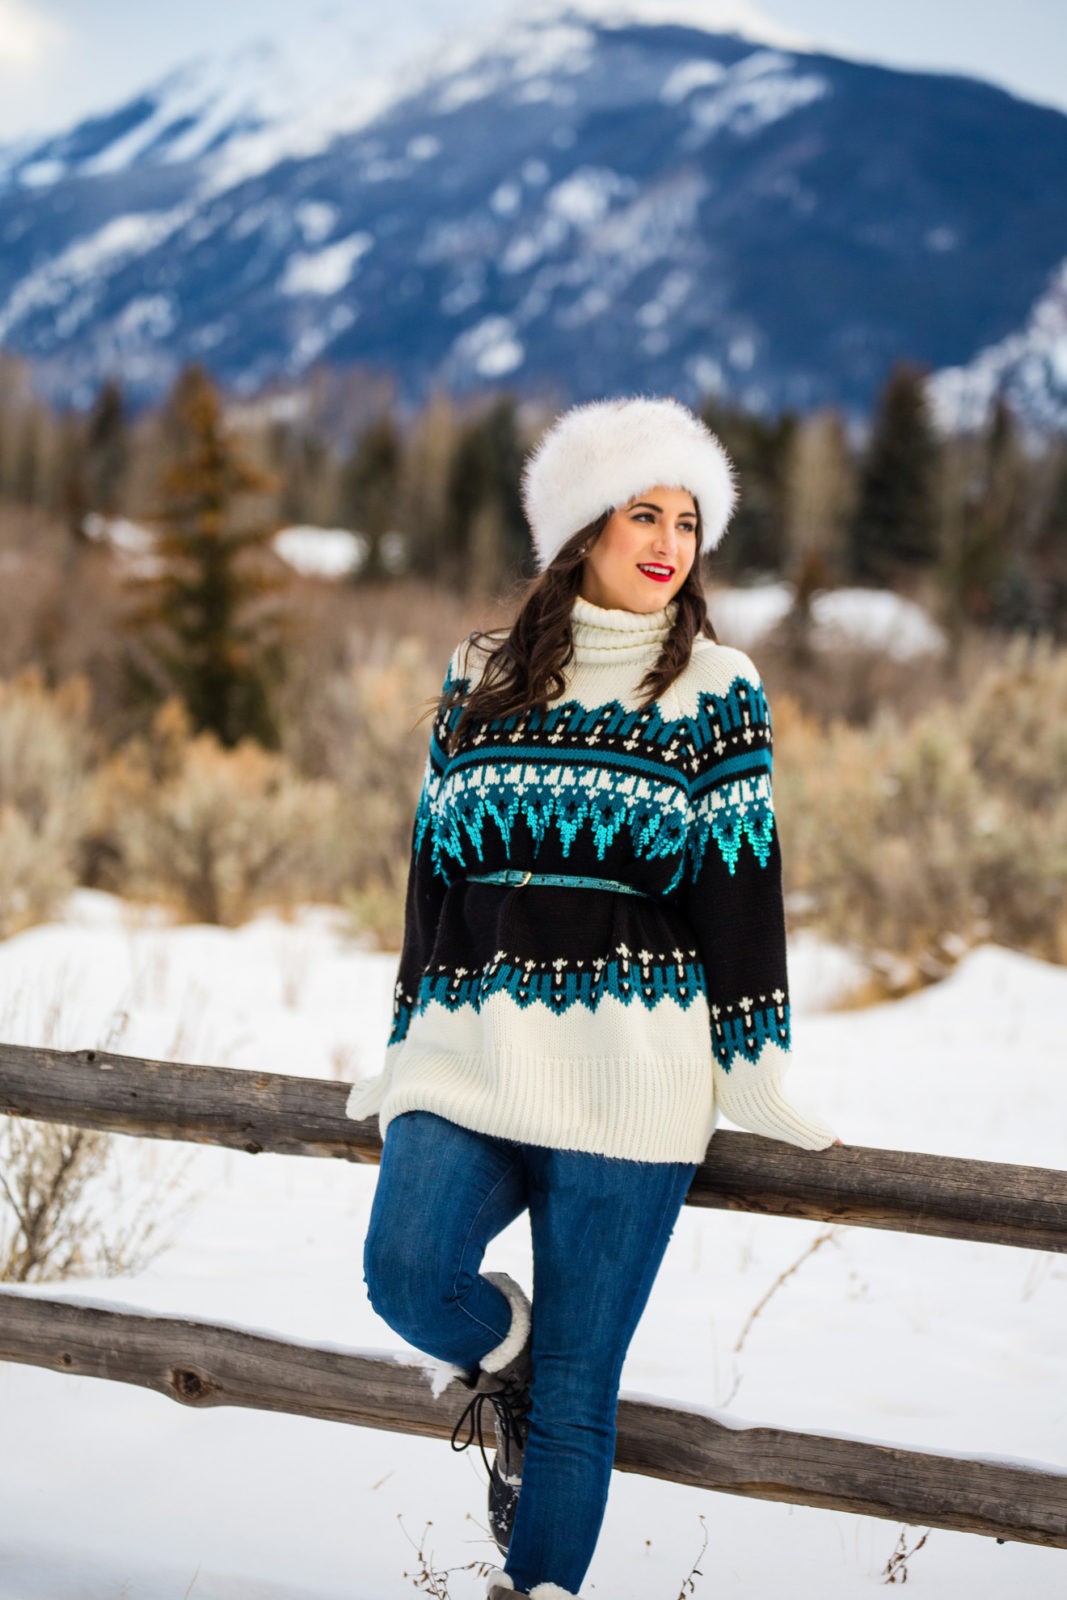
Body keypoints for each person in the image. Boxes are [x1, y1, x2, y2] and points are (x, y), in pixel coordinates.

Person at [346, 395, 844, 1600]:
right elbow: (435, 883)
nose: (668, 542)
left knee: (577, 1395)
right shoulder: (479, 677)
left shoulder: (716, 689)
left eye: (687, 519)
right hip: (470, 1054)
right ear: (579, 530)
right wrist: (405, 1034)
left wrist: (755, 1057)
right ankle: (499, 1358)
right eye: (641, 513)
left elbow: (738, 888)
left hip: (634, 1080)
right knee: (408, 1275)